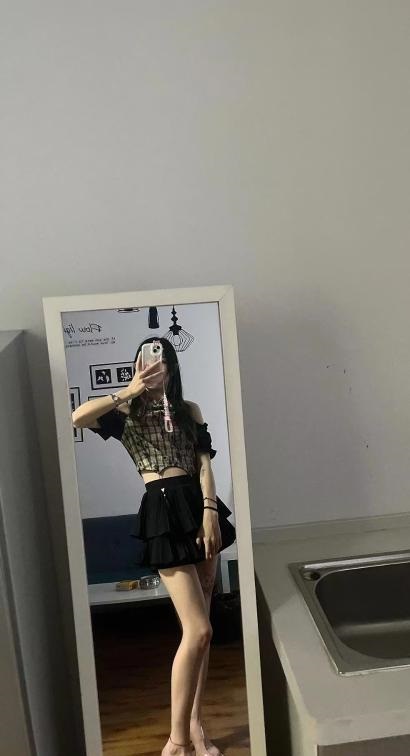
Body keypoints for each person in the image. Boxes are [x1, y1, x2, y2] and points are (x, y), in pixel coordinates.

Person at [72, 337, 236, 756]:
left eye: (160, 359)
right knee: (198, 630)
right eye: (145, 358)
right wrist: (126, 391)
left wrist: (210, 511)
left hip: (199, 509)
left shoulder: (188, 410)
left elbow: (204, 464)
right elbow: (77, 417)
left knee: (203, 632)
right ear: (137, 365)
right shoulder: (125, 412)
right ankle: (176, 740)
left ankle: (196, 726)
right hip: (161, 511)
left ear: (171, 366)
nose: (153, 365)